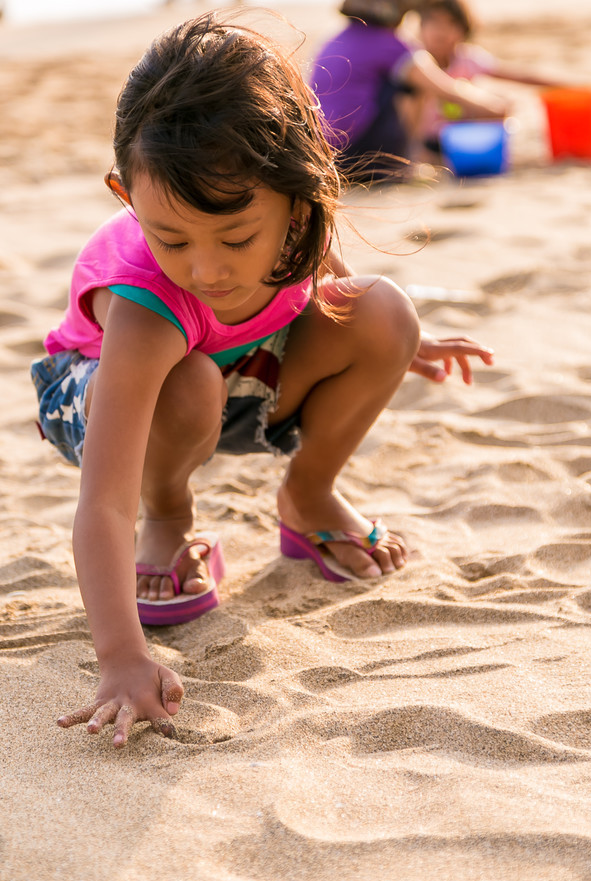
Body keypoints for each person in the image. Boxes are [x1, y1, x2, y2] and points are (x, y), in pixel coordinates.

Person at [31, 13, 494, 749]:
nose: (205, 269)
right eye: (171, 236)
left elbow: (331, 273)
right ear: (126, 194)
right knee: (186, 383)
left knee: (382, 311)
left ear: (298, 196)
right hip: (109, 400)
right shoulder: (149, 302)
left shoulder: (298, 225)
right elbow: (100, 503)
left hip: (238, 376)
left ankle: (308, 494)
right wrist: (121, 656)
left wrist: (407, 339)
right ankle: (174, 517)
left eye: (237, 238)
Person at [310, 0, 509, 181]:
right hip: (356, 153)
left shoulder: (340, 38)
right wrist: (492, 107)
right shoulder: (388, 44)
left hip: (326, 151)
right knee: (409, 83)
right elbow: (443, 87)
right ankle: (404, 164)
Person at [417, 0, 567, 158]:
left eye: (450, 24)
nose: (441, 31)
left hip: (463, 137)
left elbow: (517, 75)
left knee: (500, 105)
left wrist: (565, 86)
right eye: (434, 22)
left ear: (463, 30)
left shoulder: (467, 58)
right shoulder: (417, 60)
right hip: (424, 140)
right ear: (421, 27)